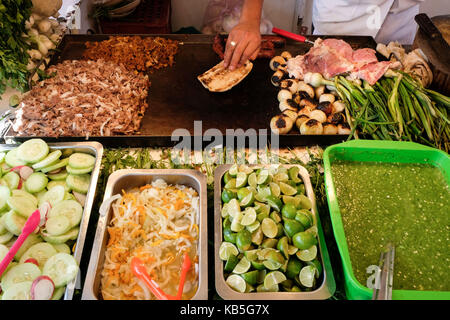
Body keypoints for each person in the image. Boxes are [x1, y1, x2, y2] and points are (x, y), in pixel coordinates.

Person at [224, 0, 424, 71]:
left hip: (400, 12)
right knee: (333, 76)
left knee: (394, 73)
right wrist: (250, 18)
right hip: (344, 12)